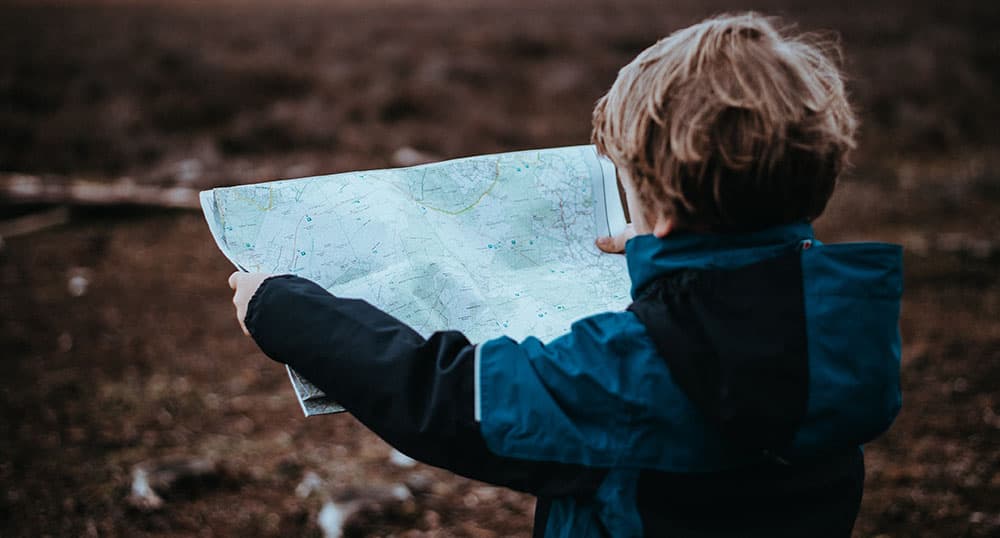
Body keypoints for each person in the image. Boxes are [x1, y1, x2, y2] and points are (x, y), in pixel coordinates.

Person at [228, 12, 902, 537]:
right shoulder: (847, 328)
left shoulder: (632, 372)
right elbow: (742, 306)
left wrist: (284, 310)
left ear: (660, 204)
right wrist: (665, 255)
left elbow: (449, 400)